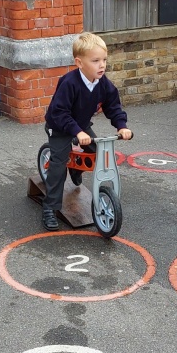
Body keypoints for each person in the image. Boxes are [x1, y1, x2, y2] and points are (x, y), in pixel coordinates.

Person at [41, 32, 132, 231]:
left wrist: (122, 126)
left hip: (81, 125)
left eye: (104, 60)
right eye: (95, 61)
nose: (102, 65)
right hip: (60, 126)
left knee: (99, 151)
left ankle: (76, 168)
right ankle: (49, 207)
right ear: (79, 63)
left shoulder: (103, 84)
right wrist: (77, 131)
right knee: (58, 164)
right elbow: (60, 112)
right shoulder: (69, 83)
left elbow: (113, 107)